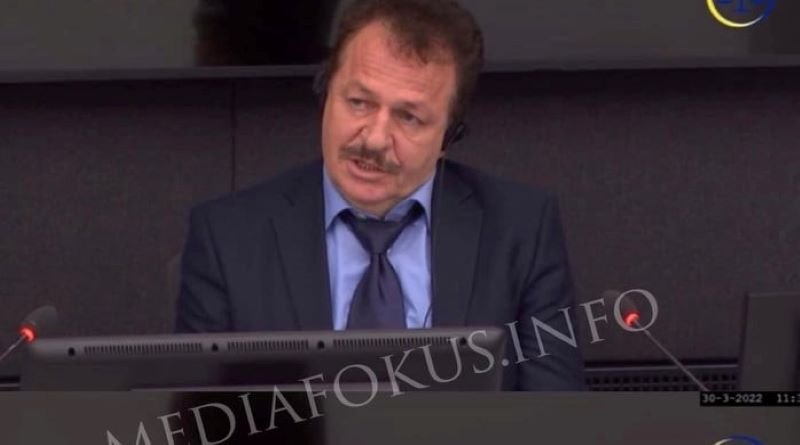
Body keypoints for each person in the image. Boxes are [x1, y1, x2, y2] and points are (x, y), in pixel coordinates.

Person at [176, 0, 585, 390]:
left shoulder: (521, 232)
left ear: (449, 136)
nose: (373, 139)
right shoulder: (227, 238)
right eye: (358, 102)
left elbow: (555, 416)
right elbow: (201, 420)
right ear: (324, 94)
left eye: (408, 117)